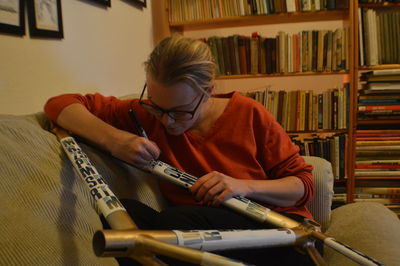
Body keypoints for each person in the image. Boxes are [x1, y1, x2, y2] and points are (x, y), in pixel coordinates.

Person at [44, 34, 316, 265]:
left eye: (180, 112)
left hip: (283, 234)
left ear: (208, 90)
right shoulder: (147, 114)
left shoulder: (248, 113)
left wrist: (242, 186)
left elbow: (303, 185)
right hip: (198, 235)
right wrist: (115, 140)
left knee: (178, 221)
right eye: (156, 105)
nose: (166, 121)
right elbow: (59, 105)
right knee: (122, 217)